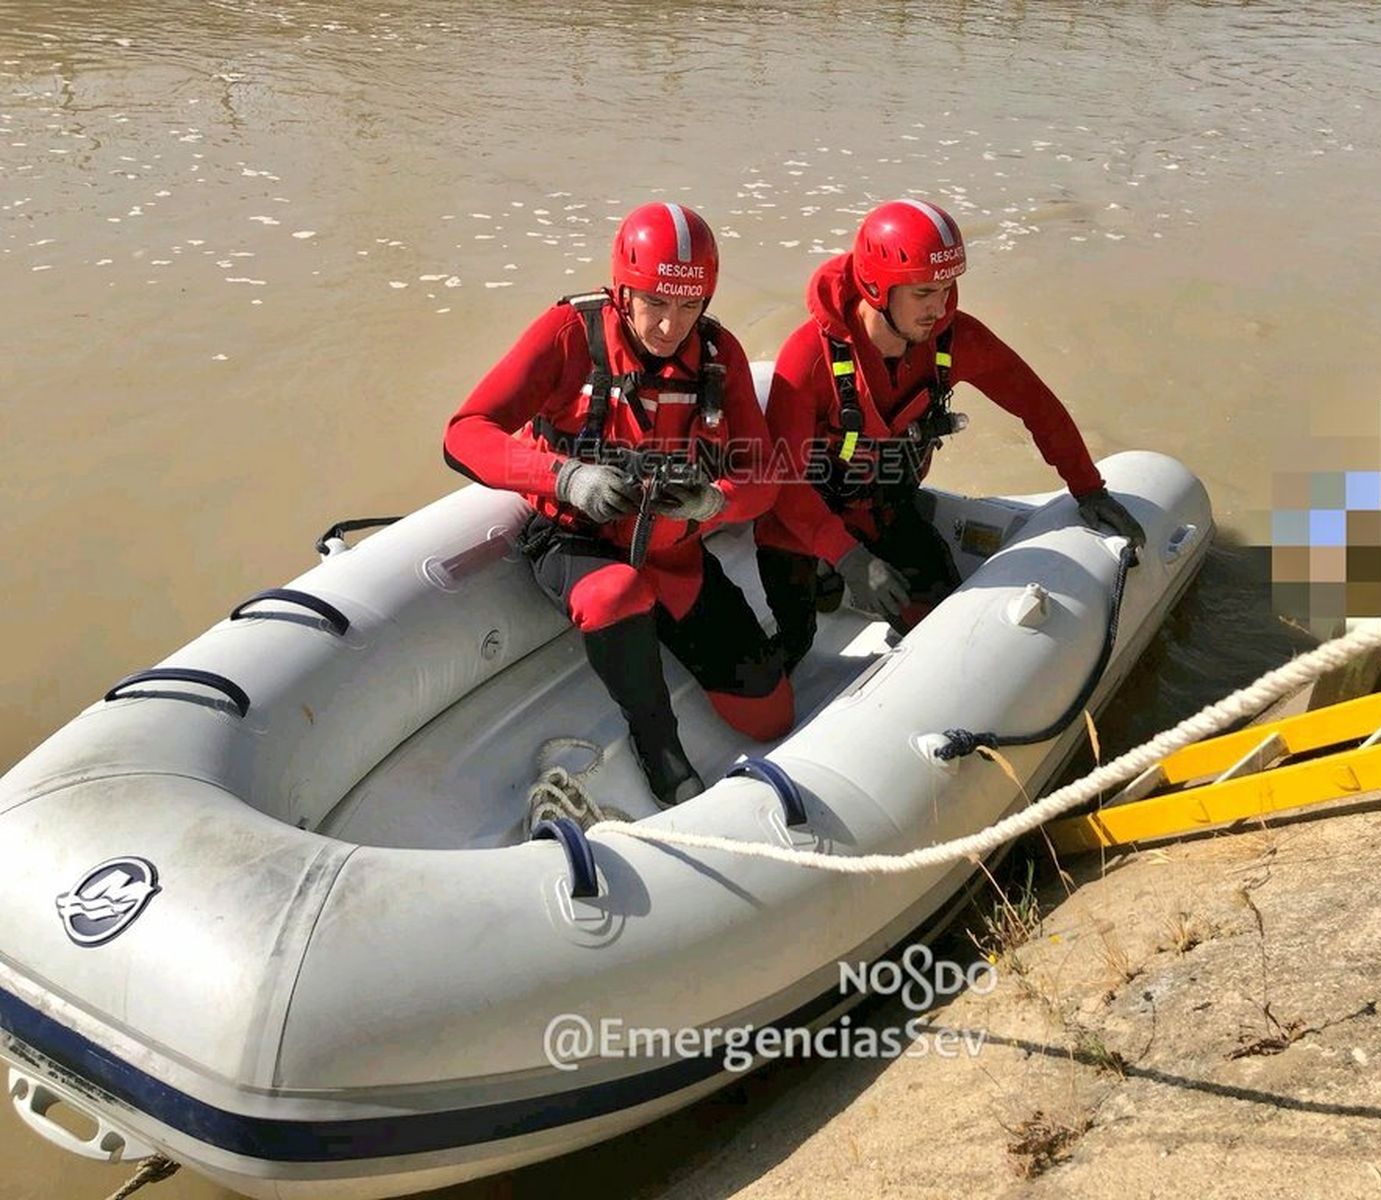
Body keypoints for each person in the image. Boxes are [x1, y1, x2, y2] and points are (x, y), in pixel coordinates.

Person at [444, 202, 791, 807]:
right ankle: (656, 741)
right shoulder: (568, 335)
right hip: (578, 540)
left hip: (674, 550)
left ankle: (656, 628)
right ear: (622, 290)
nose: (668, 326)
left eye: (689, 305)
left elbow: (762, 476)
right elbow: (465, 431)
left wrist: (712, 502)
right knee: (616, 595)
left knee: (770, 713)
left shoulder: (717, 354)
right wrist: (567, 476)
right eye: (655, 302)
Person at [754, 198, 1146, 671]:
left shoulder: (956, 338)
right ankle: (823, 577)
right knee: (791, 651)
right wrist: (849, 558)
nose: (940, 307)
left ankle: (848, 570)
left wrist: (1087, 487)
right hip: (803, 519)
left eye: (946, 287)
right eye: (923, 292)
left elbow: (1036, 404)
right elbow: (784, 484)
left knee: (943, 622)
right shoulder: (809, 358)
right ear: (877, 286)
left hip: (883, 507)